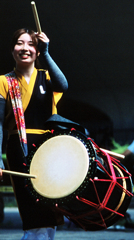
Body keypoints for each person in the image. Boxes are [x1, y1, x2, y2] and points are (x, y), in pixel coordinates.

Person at [0, 28, 68, 239]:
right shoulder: (3, 81)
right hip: (19, 148)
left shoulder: (46, 77)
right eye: (19, 43)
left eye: (31, 44)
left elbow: (63, 85)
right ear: (12, 50)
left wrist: (47, 52)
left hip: (47, 148)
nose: (25, 48)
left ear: (37, 51)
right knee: (31, 204)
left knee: (49, 204)